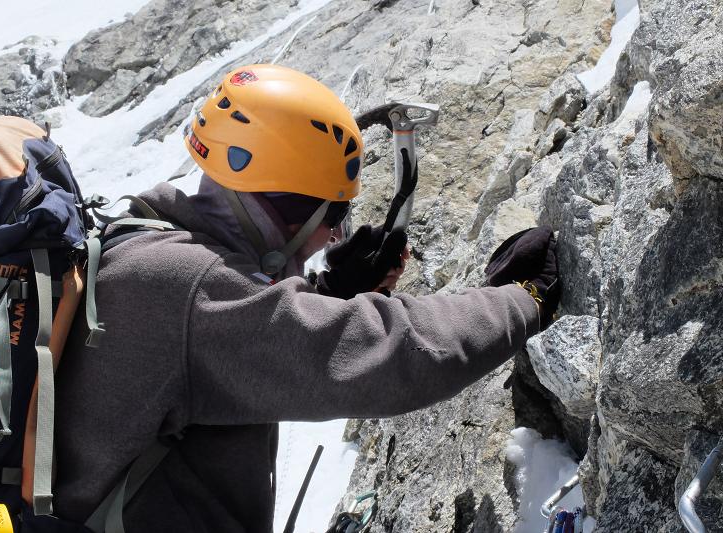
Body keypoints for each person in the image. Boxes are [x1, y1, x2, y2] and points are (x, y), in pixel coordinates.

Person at [52, 64, 558, 532]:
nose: (333, 238)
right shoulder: (188, 287)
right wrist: (520, 299)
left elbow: (235, 334)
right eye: (332, 217)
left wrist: (332, 292)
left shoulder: (149, 243)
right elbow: (388, 355)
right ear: (292, 210)